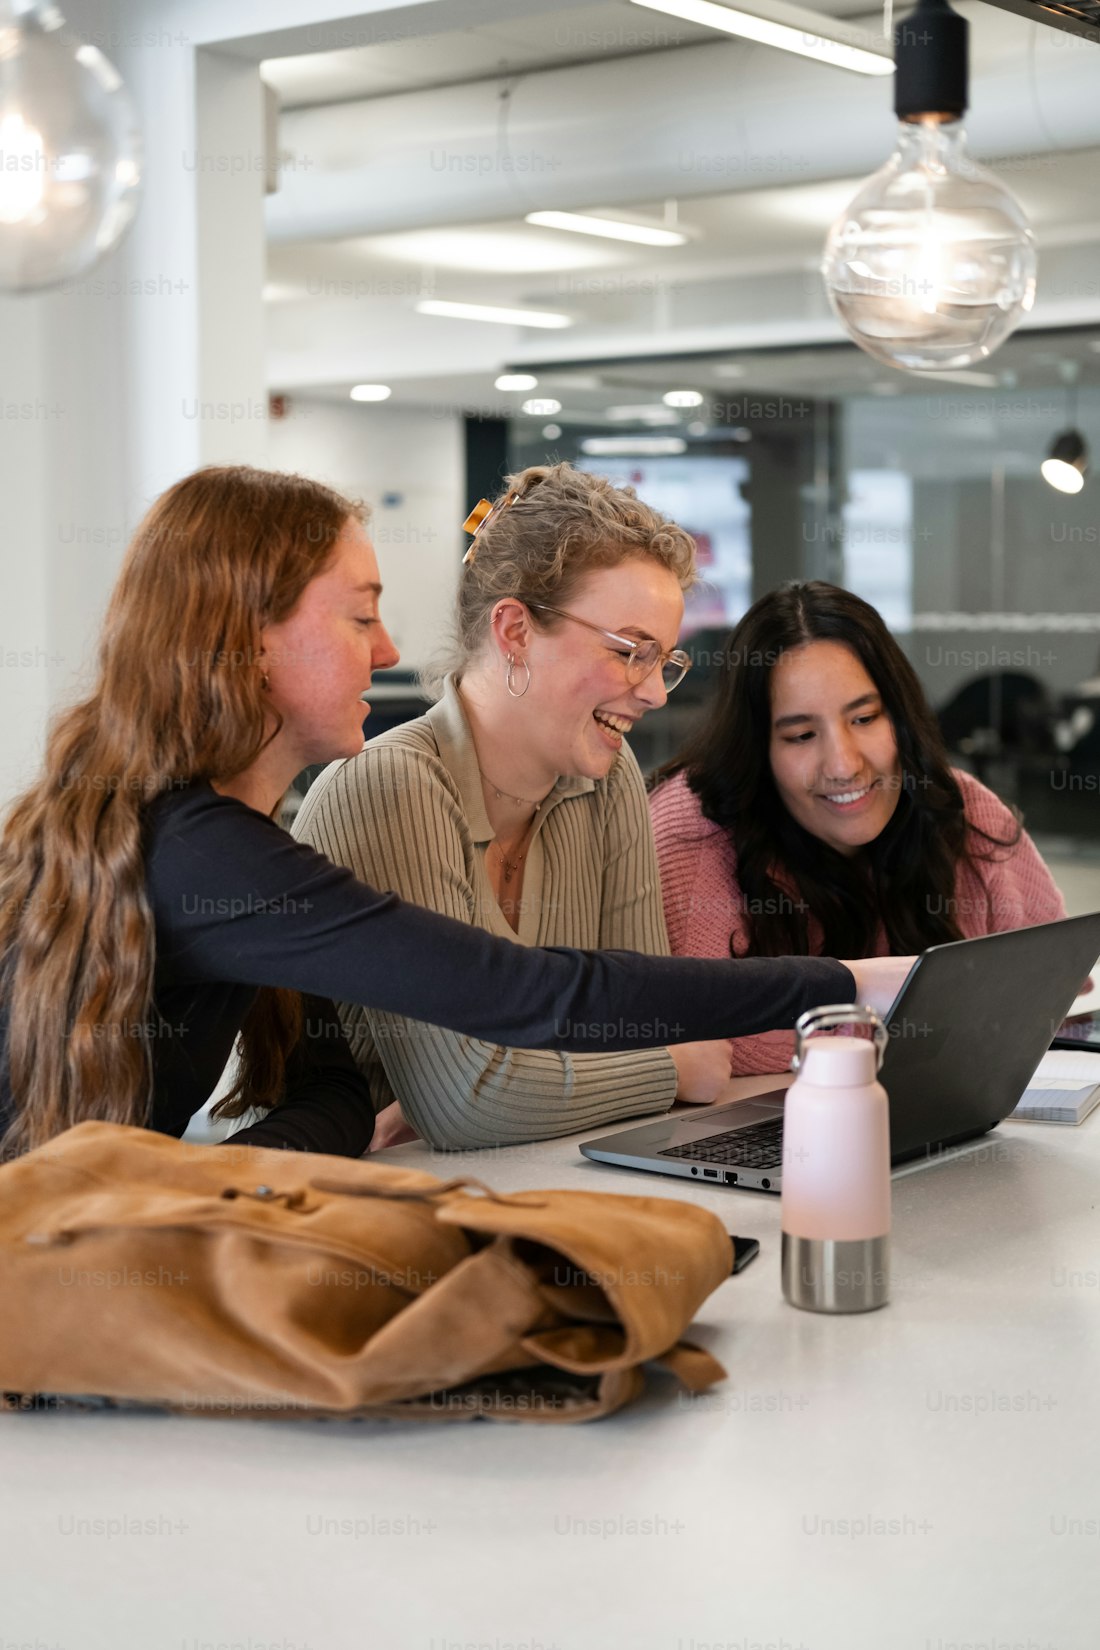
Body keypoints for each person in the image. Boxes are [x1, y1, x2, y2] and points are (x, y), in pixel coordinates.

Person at [0, 470, 908, 1162]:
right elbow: (529, 999)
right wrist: (836, 982)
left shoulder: (228, 845)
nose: (391, 650)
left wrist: (200, 1183)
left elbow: (332, 1093)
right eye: (361, 618)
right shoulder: (209, 855)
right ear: (252, 641)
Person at [296, 463, 741, 1150]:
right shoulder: (390, 788)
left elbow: (651, 1020)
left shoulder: (607, 776)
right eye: (631, 652)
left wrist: (526, 1083)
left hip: (537, 1176)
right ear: (515, 632)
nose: (655, 693)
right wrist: (668, 1070)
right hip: (359, 1207)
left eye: (666, 661)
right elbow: (470, 1102)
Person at [649, 580, 1067, 1076]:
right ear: (757, 750)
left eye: (865, 718)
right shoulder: (690, 833)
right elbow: (707, 1042)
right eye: (801, 735)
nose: (843, 765)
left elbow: (1051, 988)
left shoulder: (960, 808)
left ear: (902, 717)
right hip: (767, 1135)